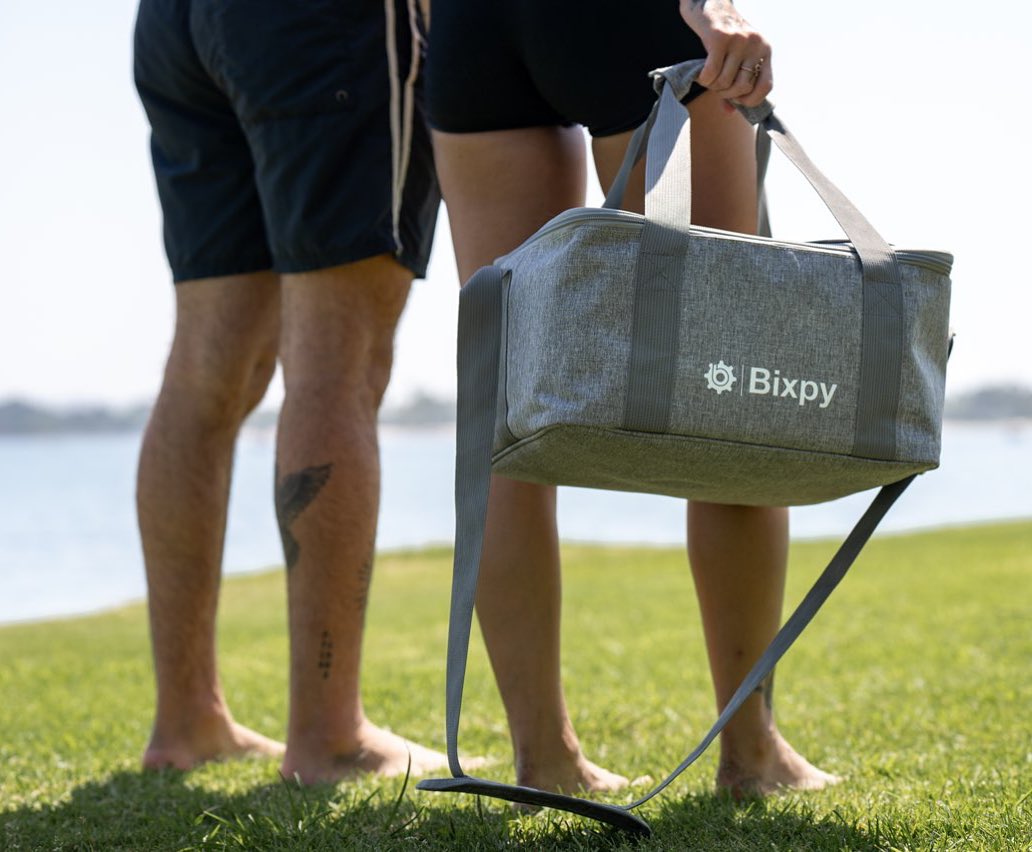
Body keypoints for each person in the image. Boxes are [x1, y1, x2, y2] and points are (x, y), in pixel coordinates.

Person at [425, 0, 840, 797]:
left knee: (513, 401)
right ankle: (752, 756)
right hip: (631, 19)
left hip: (474, 28)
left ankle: (545, 760)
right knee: (724, 389)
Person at [132, 0, 448, 783]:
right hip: (325, 25)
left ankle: (188, 720)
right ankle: (330, 739)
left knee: (211, 369)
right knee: (341, 360)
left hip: (179, 22)